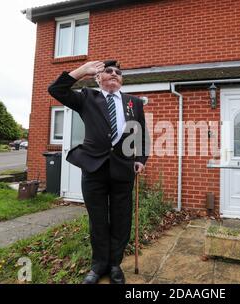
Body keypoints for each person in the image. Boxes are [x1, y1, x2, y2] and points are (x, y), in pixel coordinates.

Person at [48, 60, 149, 284]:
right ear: (98, 78)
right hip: (94, 169)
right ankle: (98, 265)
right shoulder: (86, 97)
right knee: (98, 219)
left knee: (122, 218)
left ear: (121, 79)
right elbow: (55, 89)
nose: (114, 74)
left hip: (123, 169)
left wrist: (141, 159)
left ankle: (114, 264)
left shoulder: (134, 103)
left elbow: (141, 134)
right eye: (108, 71)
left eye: (118, 73)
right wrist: (81, 71)